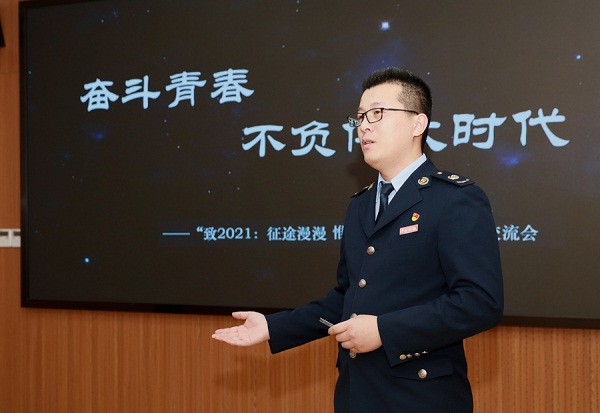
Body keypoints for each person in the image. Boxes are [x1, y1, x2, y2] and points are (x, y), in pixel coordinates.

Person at [212, 67, 504, 412]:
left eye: (377, 113)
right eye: (361, 116)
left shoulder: (454, 198)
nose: (364, 125)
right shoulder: (361, 205)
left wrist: (384, 330)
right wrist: (273, 327)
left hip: (421, 398)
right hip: (357, 394)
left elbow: (479, 302)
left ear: (418, 123)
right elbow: (346, 298)